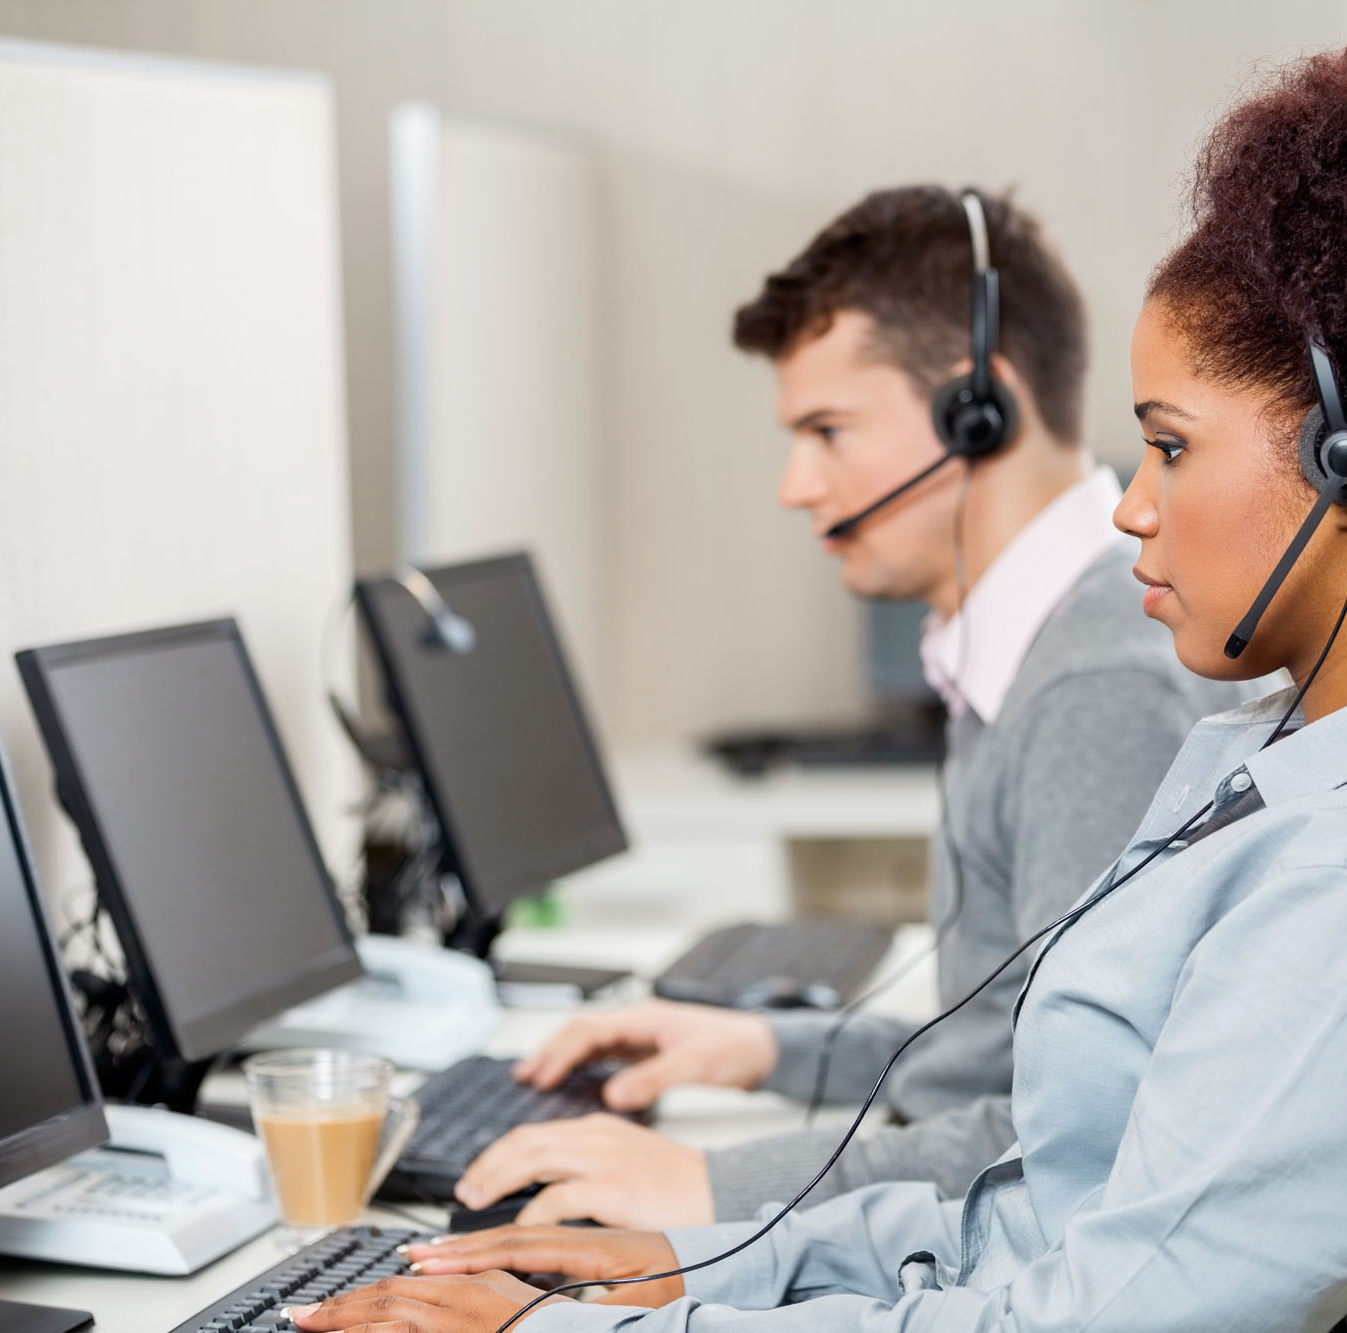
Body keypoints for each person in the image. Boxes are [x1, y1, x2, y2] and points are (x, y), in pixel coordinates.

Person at [291, 27, 1347, 1330]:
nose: (1128, 506)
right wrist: (707, 1266)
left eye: (1169, 446)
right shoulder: (1325, 774)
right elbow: (1059, 1206)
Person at [451, 186, 1252, 1230]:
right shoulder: (1024, 644)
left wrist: (706, 1187)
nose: (794, 484)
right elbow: (994, 1058)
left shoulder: (1094, 689)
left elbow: (1070, 1143)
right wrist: (770, 1050)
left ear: (978, 410)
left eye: (827, 430)